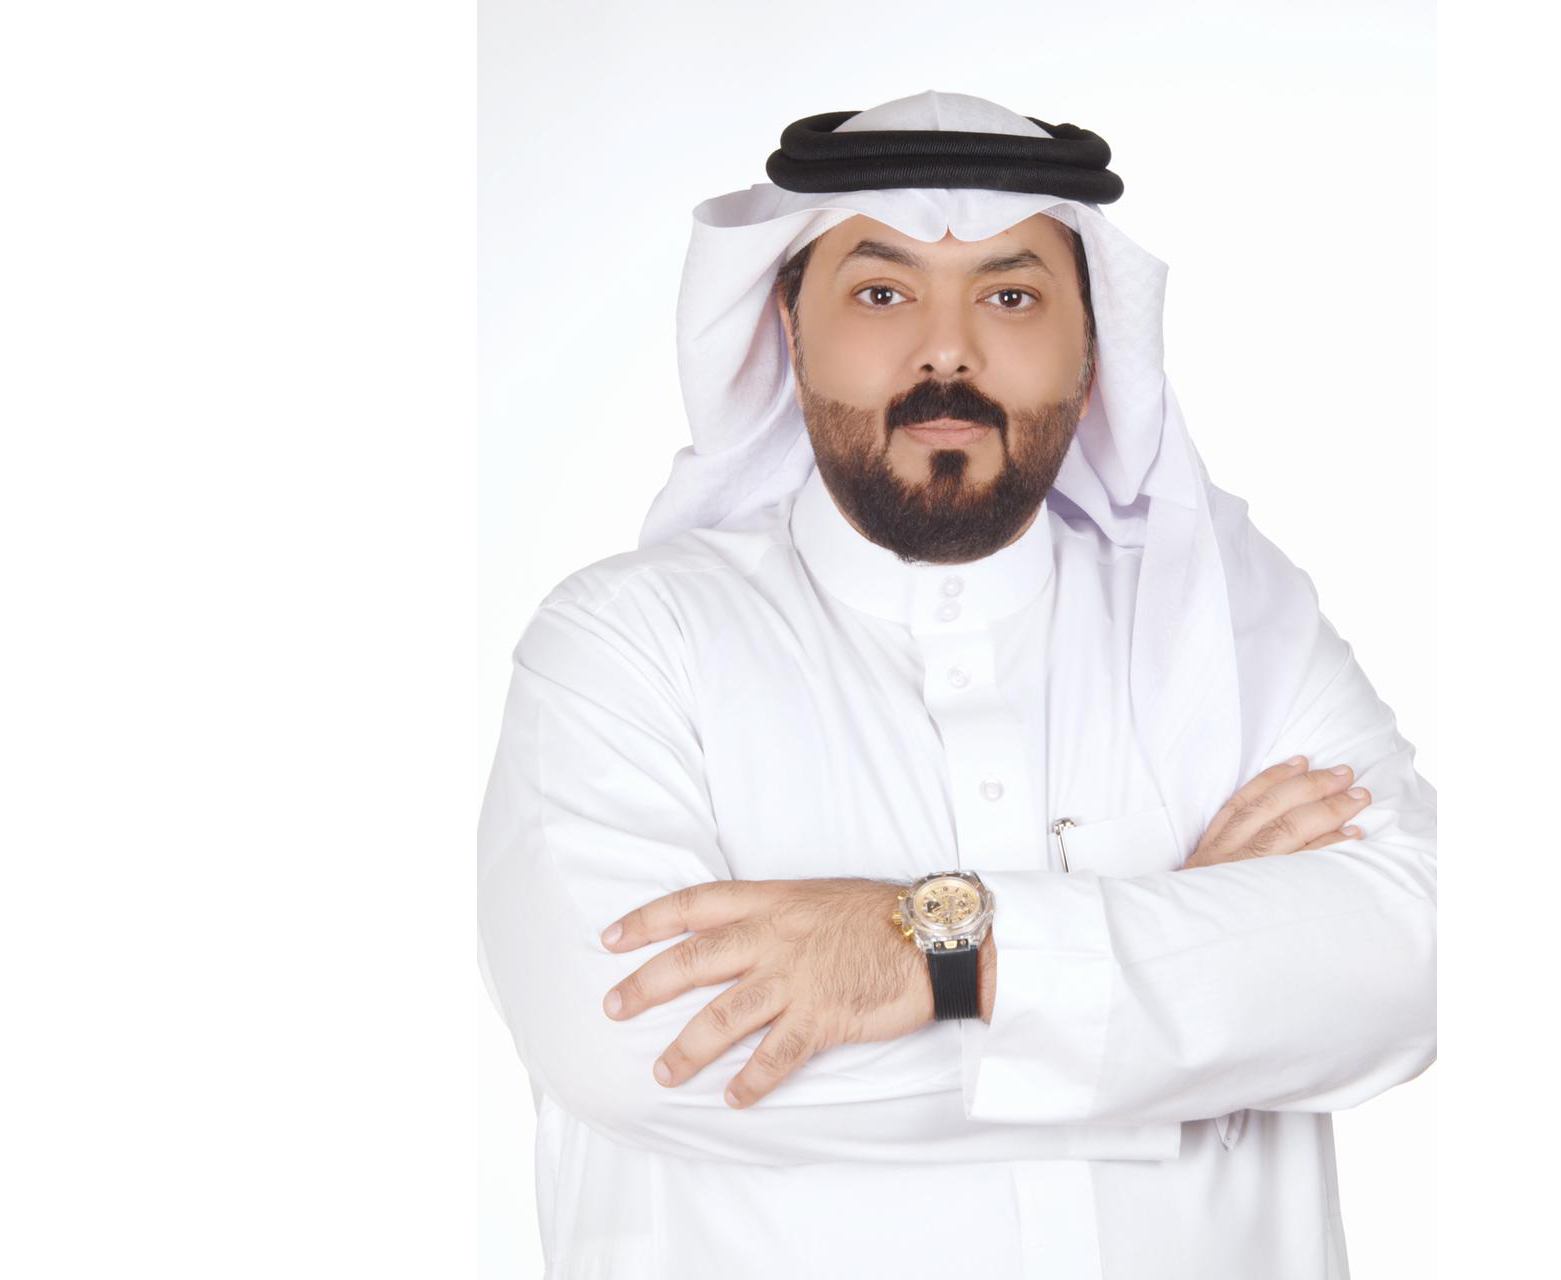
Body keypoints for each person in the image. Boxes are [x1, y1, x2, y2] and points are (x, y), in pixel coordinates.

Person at [478, 89, 1436, 1279]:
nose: (947, 351)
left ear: (1092, 347)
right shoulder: (626, 644)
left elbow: (1420, 956)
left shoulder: (1235, 621)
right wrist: (1198, 976)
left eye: (1011, 296)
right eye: (882, 294)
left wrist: (948, 953)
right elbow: (640, 1051)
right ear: (790, 331)